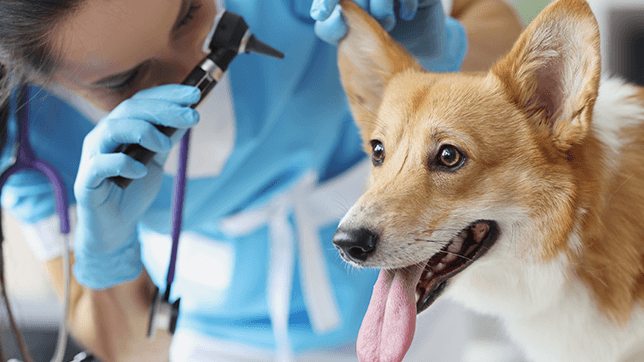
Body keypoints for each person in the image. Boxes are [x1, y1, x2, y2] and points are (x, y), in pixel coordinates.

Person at [0, 0, 523, 361]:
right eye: (121, 79)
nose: (196, 68)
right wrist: (106, 256)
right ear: (32, 77)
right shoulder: (26, 141)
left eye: (189, 13)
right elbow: (128, 345)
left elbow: (502, 38)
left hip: (407, 306)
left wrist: (433, 73)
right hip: (213, 340)